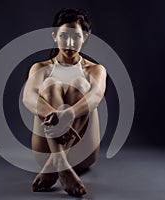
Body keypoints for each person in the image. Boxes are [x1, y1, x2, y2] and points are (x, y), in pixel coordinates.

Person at [22, 8, 107, 197]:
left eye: (76, 37)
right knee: (51, 84)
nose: (69, 43)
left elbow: (96, 95)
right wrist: (56, 116)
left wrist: (68, 114)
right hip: (45, 148)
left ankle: (54, 164)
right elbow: (28, 96)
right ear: (55, 36)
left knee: (80, 85)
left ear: (84, 38)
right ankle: (61, 163)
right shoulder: (41, 68)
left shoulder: (95, 69)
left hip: (83, 149)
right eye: (64, 36)